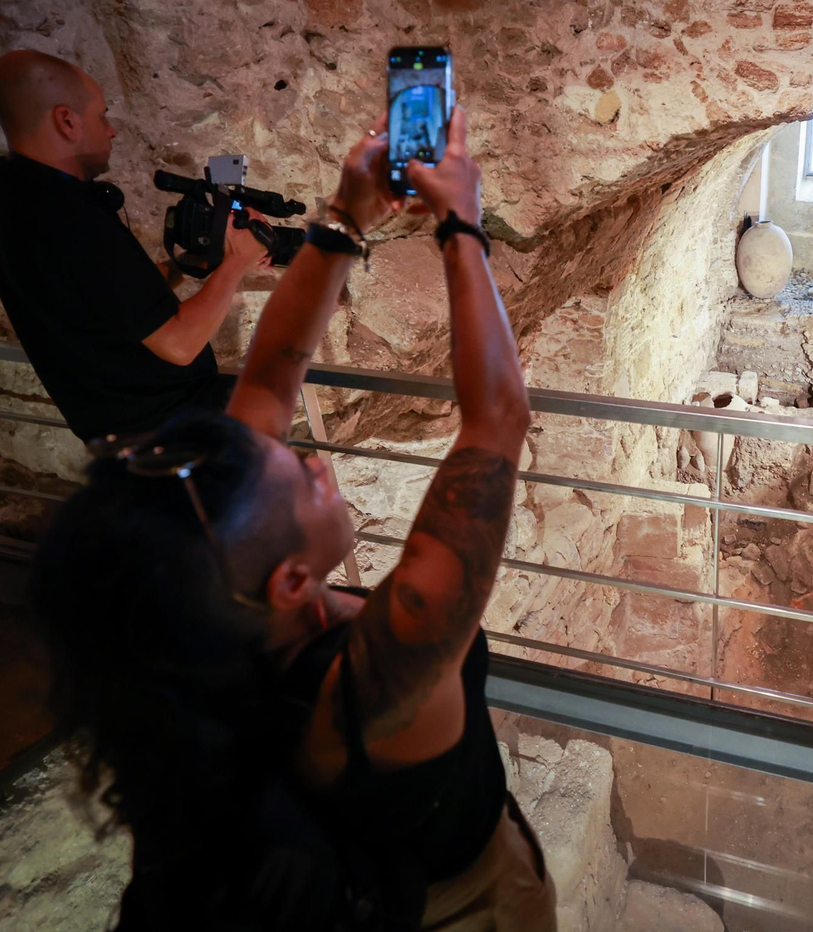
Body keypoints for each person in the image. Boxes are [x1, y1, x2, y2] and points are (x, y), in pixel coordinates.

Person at [29, 107, 552, 929]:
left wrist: (346, 213)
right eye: (302, 480)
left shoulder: (207, 611)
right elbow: (496, 420)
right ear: (291, 580)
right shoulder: (380, 690)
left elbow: (271, 379)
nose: (312, 461)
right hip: (465, 902)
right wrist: (461, 223)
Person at [0, 50, 270, 440]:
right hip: (170, 440)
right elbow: (179, 344)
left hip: (111, 437)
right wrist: (236, 263)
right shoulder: (73, 217)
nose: (110, 130)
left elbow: (108, 305)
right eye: (102, 115)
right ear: (66, 121)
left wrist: (191, 263)